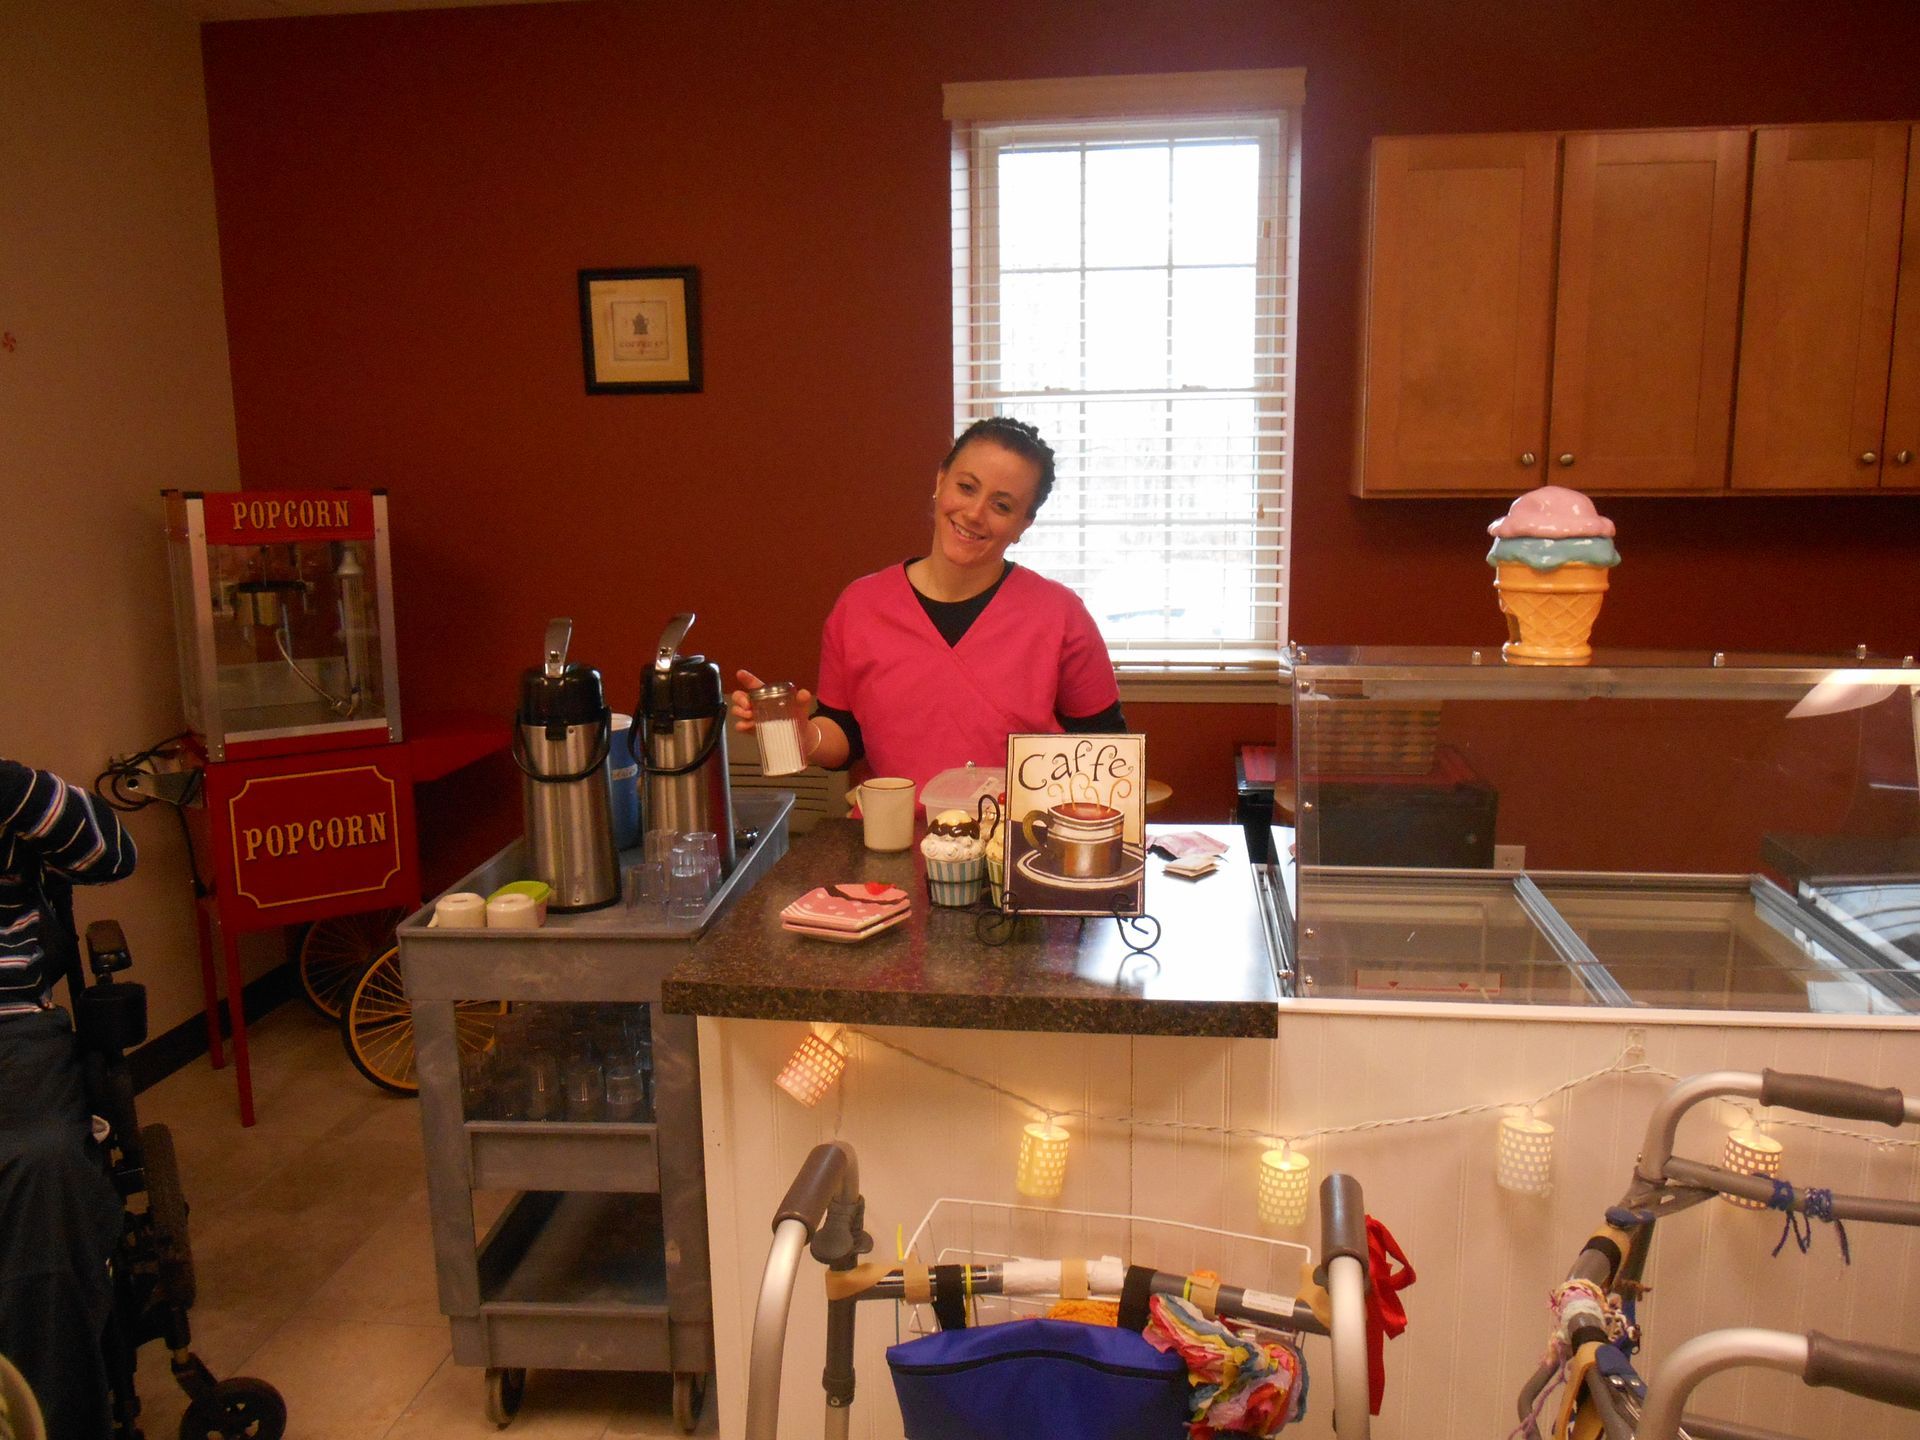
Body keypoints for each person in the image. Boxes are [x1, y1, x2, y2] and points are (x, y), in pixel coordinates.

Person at [731, 417, 1124, 793]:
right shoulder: (861, 607)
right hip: (894, 843)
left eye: (1002, 506)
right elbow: (844, 739)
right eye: (967, 487)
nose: (974, 513)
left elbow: (1107, 751)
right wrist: (804, 735)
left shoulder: (1060, 615)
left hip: (1017, 846)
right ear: (940, 481)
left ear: (1024, 524)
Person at [0, 757, 136, 1440]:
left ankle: (46, 1418)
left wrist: (8, 790)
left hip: (11, 1028)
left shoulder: (13, 793)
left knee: (43, 1162)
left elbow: (116, 854)